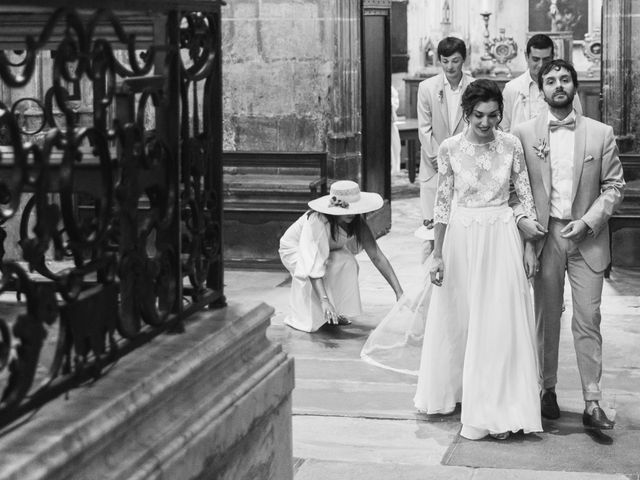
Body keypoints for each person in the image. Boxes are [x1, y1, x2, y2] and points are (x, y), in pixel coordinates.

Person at [414, 79, 542, 440]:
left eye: (494, 116)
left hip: (501, 234)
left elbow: (524, 196)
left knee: (499, 320)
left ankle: (497, 405)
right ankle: (456, 391)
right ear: (466, 114)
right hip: (461, 235)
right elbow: (441, 204)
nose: (487, 123)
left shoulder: (512, 145)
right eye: (479, 116)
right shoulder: (450, 149)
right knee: (458, 316)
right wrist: (437, 255)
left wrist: (530, 246)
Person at [511, 59, 625, 430]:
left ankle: (593, 400)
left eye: (564, 79)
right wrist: (523, 223)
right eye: (550, 80)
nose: (558, 85)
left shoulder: (600, 133)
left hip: (587, 239)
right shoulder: (524, 134)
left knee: (588, 317)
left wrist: (589, 221)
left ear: (575, 86)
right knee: (546, 317)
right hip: (544, 239)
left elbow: (613, 187)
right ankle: (546, 389)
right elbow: (514, 188)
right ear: (540, 89)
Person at [279, 180, 403, 333]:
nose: (351, 213)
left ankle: (335, 312)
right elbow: (312, 264)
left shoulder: (357, 222)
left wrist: (399, 292)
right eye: (346, 209)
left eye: (354, 209)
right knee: (320, 267)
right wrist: (325, 301)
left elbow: (376, 256)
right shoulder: (317, 222)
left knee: (347, 262)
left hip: (329, 247)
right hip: (295, 249)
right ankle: (315, 315)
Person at [416, 37, 474, 253]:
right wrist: (438, 157)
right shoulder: (426, 88)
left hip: (465, 165)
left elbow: (475, 126)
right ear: (439, 61)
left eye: (456, 61)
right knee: (434, 234)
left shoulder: (474, 86)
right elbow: (424, 128)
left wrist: (459, 159)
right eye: (445, 61)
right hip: (433, 166)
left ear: (464, 60)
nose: (450, 67)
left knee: (461, 231)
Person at [502, 34, 582, 133]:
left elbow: (578, 122)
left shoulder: (565, 87)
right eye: (536, 59)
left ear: (553, 57)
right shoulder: (511, 88)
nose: (541, 65)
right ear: (527, 57)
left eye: (546, 59)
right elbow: (503, 129)